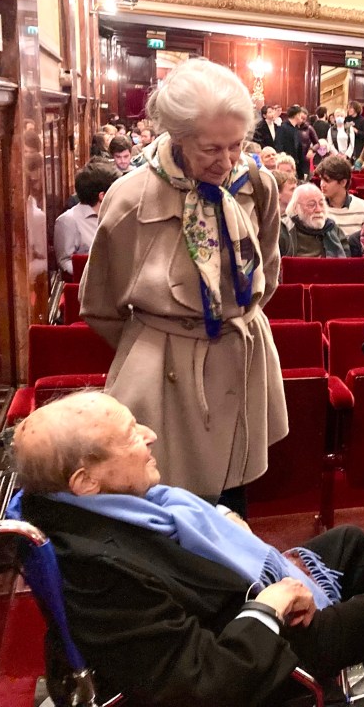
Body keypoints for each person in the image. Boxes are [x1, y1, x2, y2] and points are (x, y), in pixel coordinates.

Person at [8, 392, 364, 707]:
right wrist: (270, 606)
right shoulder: (98, 569)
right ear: (85, 481)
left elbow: (178, 548)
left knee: (350, 542)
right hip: (245, 651)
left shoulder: (82, 510)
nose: (149, 435)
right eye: (129, 435)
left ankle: (352, 679)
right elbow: (200, 680)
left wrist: (222, 522)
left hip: (229, 614)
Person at [79, 58, 285, 510]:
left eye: (236, 145)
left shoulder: (257, 185)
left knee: (231, 503)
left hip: (241, 359)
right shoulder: (130, 198)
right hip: (163, 376)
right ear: (177, 135)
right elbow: (99, 306)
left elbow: (267, 274)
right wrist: (159, 344)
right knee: (164, 502)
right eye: (211, 148)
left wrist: (231, 323)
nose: (227, 161)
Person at [54, 161, 119, 277]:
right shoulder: (68, 221)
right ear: (102, 196)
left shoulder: (116, 215)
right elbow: (65, 262)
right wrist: (93, 275)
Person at [279, 183, 348, 258]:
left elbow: (347, 260)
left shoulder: (332, 228)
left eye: (321, 204)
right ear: (296, 208)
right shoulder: (284, 230)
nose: (318, 210)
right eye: (311, 205)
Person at [318, 154, 364, 238]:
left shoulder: (363, 209)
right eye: (321, 179)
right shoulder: (317, 208)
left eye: (327, 180)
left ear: (343, 182)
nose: (322, 184)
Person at [276, 105, 307, 179]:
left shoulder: (295, 128)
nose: (301, 118)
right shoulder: (283, 128)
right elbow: (279, 145)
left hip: (296, 163)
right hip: (286, 163)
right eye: (300, 115)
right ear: (296, 115)